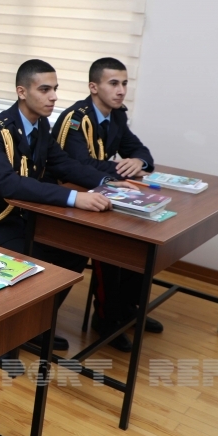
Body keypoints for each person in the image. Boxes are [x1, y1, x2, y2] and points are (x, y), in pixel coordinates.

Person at [0, 59, 127, 352]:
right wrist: (74, 197)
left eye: (55, 89)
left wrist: (107, 181)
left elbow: (63, 163)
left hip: (24, 217)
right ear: (22, 92)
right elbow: (9, 185)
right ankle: (8, 336)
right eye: (45, 89)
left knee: (73, 248)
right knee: (37, 257)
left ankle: (35, 324)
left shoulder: (41, 125)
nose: (54, 97)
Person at [50, 57, 161, 352]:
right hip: (70, 198)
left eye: (124, 83)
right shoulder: (76, 119)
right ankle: (107, 319)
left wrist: (138, 161)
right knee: (111, 244)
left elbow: (138, 149)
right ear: (93, 87)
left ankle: (126, 309)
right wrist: (119, 172)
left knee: (139, 236)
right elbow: (78, 165)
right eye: (113, 83)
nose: (121, 90)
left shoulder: (116, 116)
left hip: (100, 191)